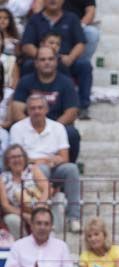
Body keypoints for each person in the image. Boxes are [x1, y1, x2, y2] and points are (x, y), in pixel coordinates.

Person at [8, 92, 81, 229]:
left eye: (40, 107)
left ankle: (74, 217)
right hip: (28, 171)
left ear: (46, 109)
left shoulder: (57, 127)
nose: (37, 111)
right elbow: (17, 158)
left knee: (72, 169)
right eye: (33, 108)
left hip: (54, 167)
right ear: (27, 110)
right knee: (41, 169)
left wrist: (45, 160)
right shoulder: (17, 128)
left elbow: (65, 158)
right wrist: (45, 160)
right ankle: (44, 216)